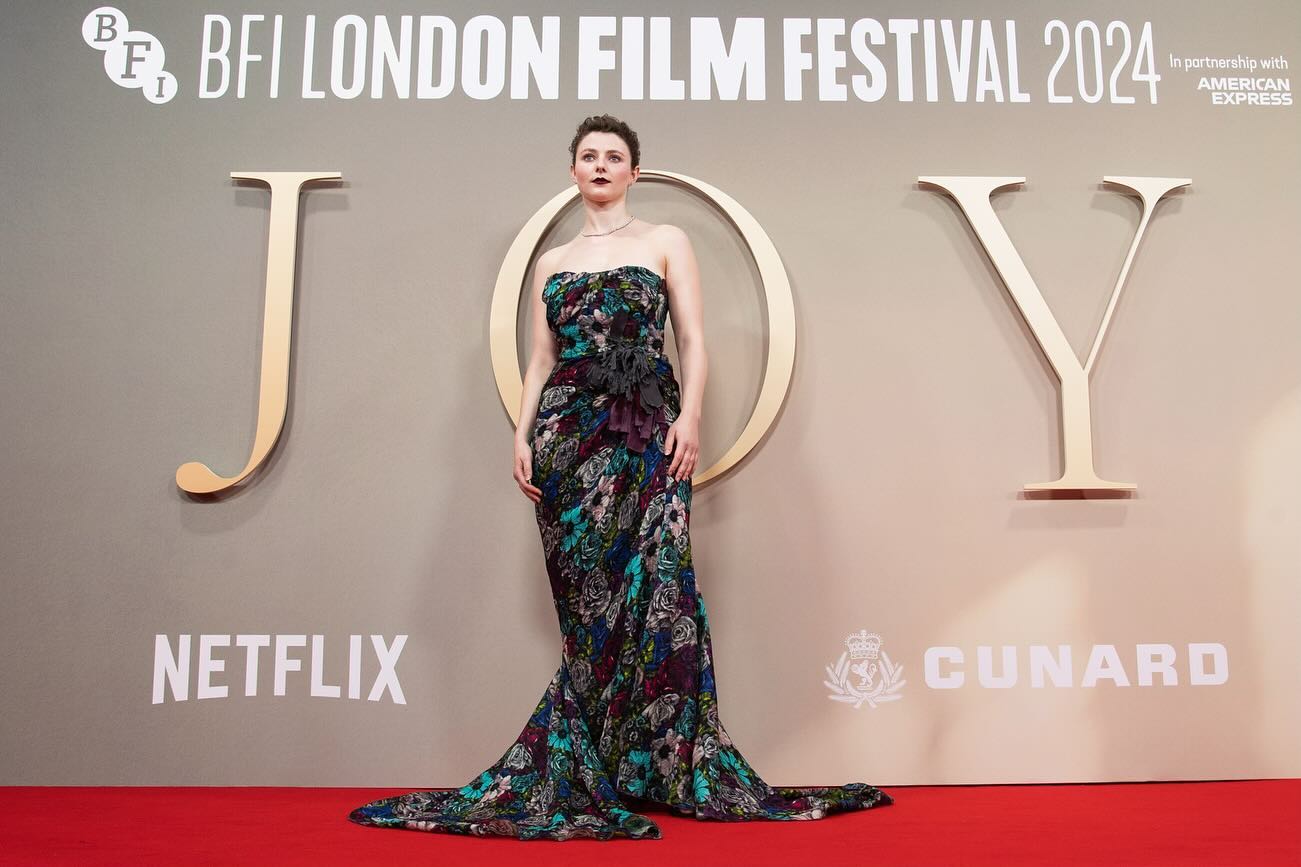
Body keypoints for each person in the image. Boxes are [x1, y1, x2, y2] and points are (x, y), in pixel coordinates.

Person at [348, 114, 892, 841]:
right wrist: (520, 430)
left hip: (646, 429)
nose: (600, 165)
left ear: (634, 172)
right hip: (566, 437)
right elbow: (541, 360)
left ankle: (655, 765)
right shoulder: (552, 261)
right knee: (587, 608)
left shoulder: (665, 241)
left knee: (659, 588)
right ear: (572, 171)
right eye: (588, 156)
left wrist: (690, 417)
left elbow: (692, 340)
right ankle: (598, 770)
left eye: (614, 156)